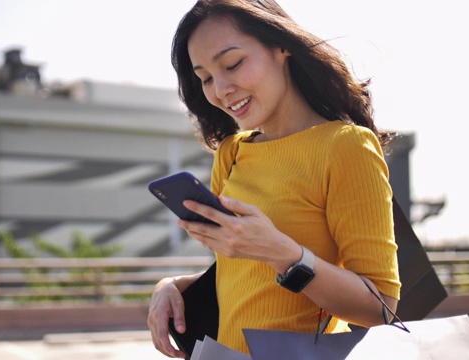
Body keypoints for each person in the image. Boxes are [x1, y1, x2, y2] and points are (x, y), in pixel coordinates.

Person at [147, 0, 401, 357]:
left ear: (281, 46)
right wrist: (172, 286)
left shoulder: (346, 146)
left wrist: (284, 253)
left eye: (232, 64)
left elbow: (380, 306)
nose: (221, 89)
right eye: (204, 77)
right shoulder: (232, 152)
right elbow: (244, 278)